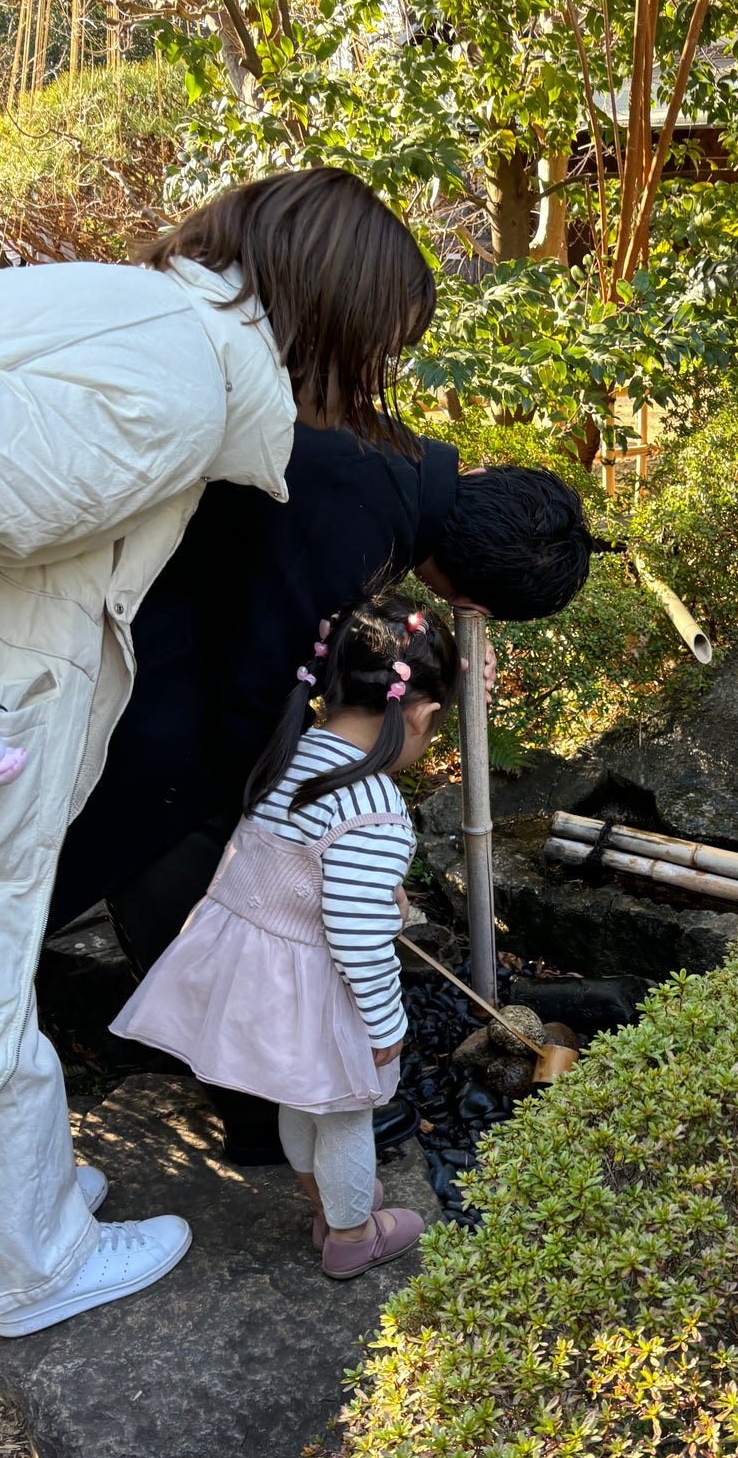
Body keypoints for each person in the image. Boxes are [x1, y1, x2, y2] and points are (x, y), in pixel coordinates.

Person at [0, 166, 435, 1337]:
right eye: (381, 346)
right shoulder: (175, 385)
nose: (375, 379)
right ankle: (33, 1262)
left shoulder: (128, 307)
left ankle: (13, 1217)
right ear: (337, 318)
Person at [48, 433, 604, 1161]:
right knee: (220, 908)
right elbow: (254, 693)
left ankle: (269, 1107)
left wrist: (430, 654)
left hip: (151, 664)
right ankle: (272, 1116)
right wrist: (299, 809)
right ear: (472, 601)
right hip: (153, 719)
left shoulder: (380, 463)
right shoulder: (356, 533)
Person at [108, 592, 458, 1283]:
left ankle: (324, 1200)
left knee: (297, 1098)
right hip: (319, 984)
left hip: (260, 970)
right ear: (421, 714)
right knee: (347, 1114)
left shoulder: (294, 752)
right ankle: (353, 1232)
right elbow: (356, 937)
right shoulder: (374, 806)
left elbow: (301, 869)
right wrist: (386, 1021)